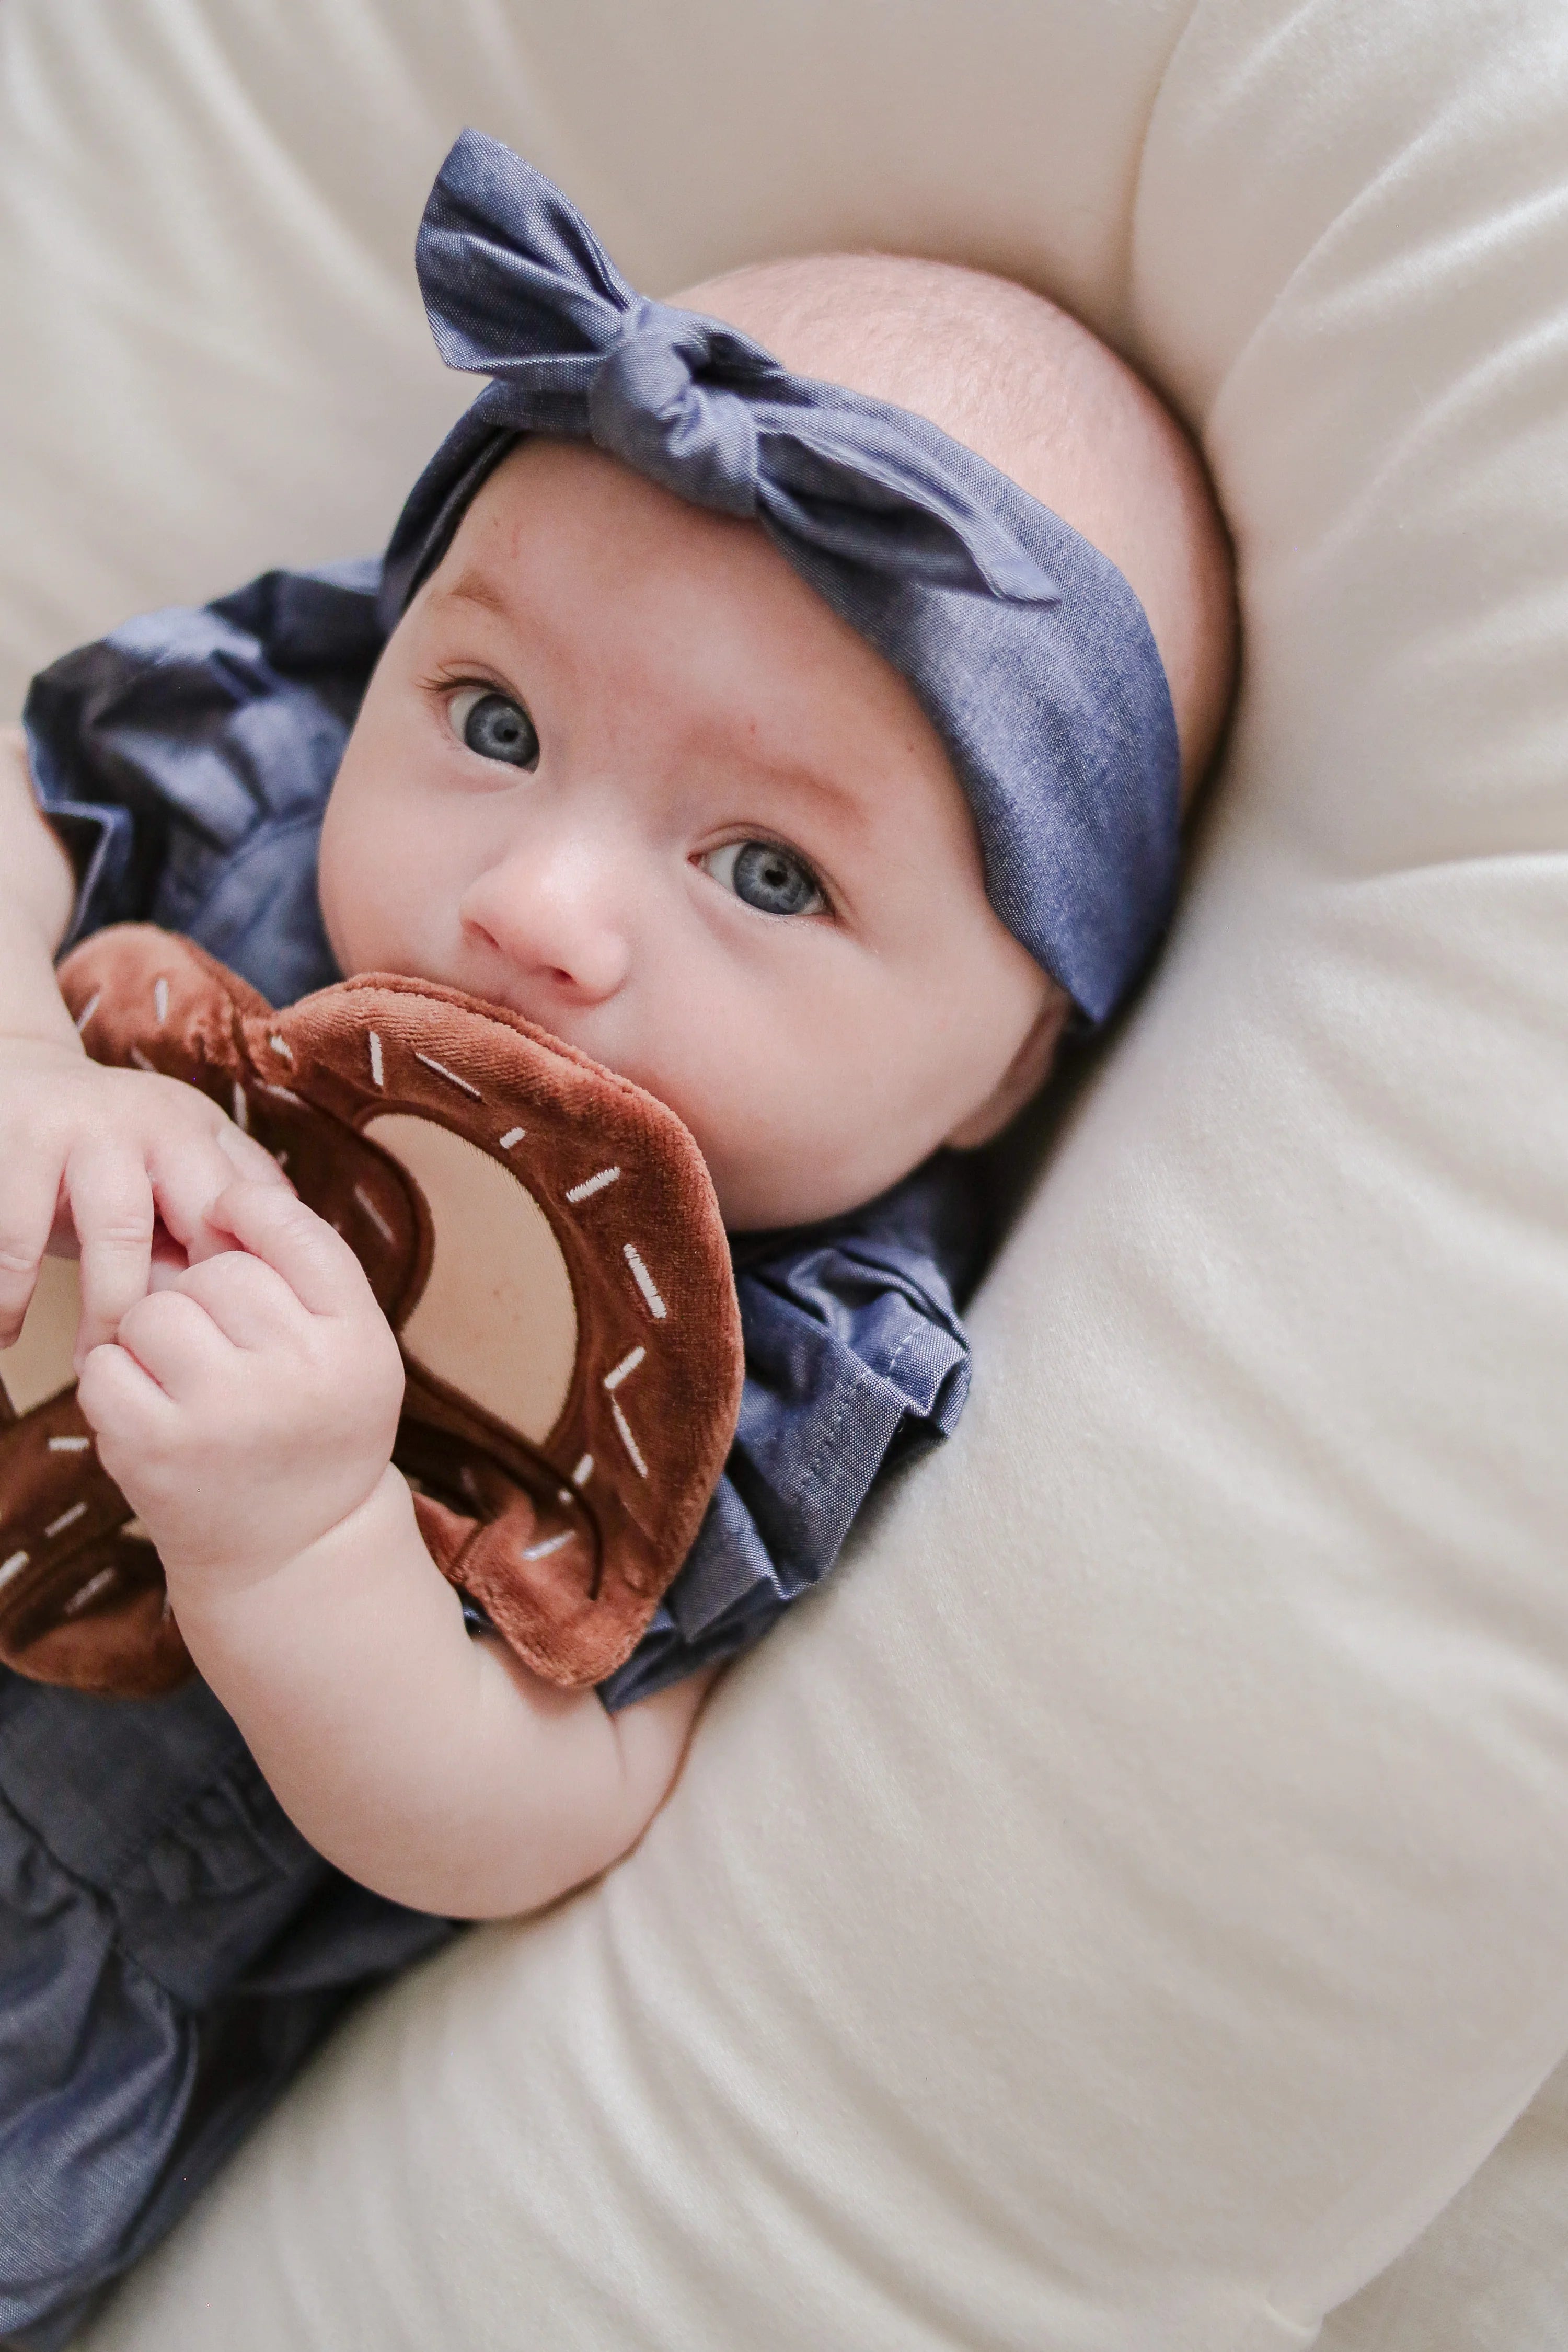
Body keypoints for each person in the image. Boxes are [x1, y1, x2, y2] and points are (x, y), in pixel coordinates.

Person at [0, 134, 1234, 2343]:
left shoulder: (762, 1356)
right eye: (493, 725)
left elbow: (542, 1815)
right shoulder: (265, 809)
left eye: (767, 875)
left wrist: (300, 1549)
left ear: (999, 1070)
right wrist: (30, 1057)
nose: (533, 907)